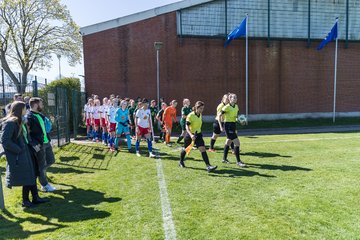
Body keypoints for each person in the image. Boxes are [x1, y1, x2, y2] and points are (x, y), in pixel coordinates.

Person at [0, 101, 49, 207]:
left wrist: (32, 145)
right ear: (20, 109)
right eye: (25, 108)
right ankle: (25, 201)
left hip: (28, 151)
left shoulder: (21, 120)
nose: (27, 110)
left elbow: (26, 137)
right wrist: (19, 149)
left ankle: (35, 197)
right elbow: (5, 141)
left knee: (33, 173)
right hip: (21, 153)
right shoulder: (10, 122)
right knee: (27, 176)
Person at [27, 97, 57, 192]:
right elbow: (27, 133)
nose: (42, 106)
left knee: (51, 161)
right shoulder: (29, 117)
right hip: (39, 145)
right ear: (35, 105)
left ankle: (39, 173)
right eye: (41, 104)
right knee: (42, 166)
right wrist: (34, 144)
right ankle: (44, 185)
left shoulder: (40, 115)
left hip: (46, 142)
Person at [179, 101, 217, 172]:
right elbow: (186, 127)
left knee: (203, 149)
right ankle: (181, 161)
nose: (202, 110)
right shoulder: (190, 115)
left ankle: (208, 166)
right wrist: (191, 135)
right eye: (201, 108)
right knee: (186, 149)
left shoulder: (200, 115)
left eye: (202, 108)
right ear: (197, 107)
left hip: (198, 135)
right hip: (190, 135)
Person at [219, 93, 246, 167]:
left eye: (236, 97)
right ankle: (238, 161)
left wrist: (241, 121)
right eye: (233, 98)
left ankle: (224, 159)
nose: (235, 99)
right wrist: (221, 126)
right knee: (237, 143)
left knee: (228, 142)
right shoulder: (226, 107)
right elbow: (219, 115)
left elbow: (236, 117)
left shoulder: (236, 106)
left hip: (233, 125)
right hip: (228, 126)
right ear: (230, 99)